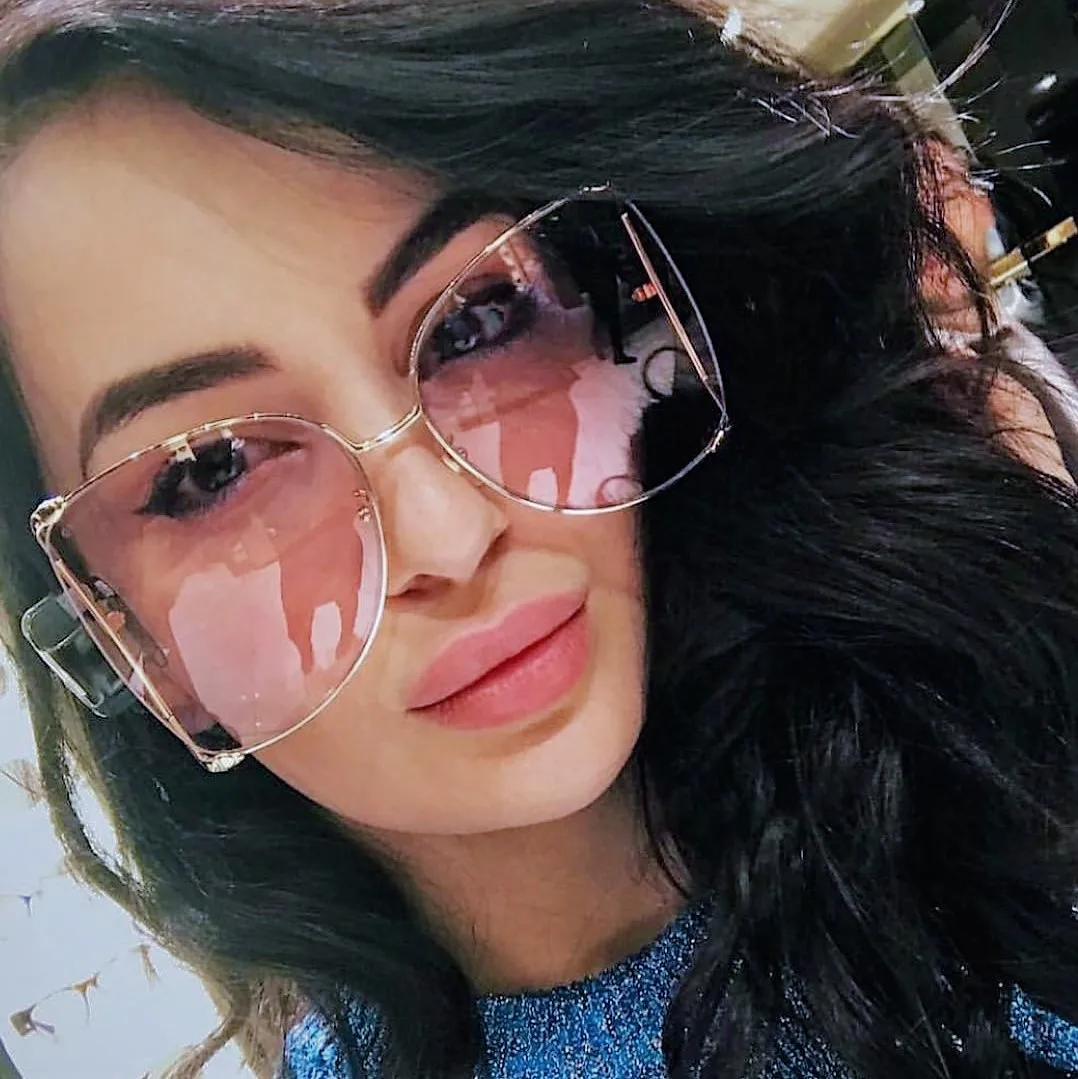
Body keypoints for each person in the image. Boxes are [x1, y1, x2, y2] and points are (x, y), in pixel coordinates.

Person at [0, 2, 1076, 1077]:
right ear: (116, 628)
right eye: (214, 468)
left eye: (476, 319)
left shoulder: (974, 678)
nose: (449, 531)